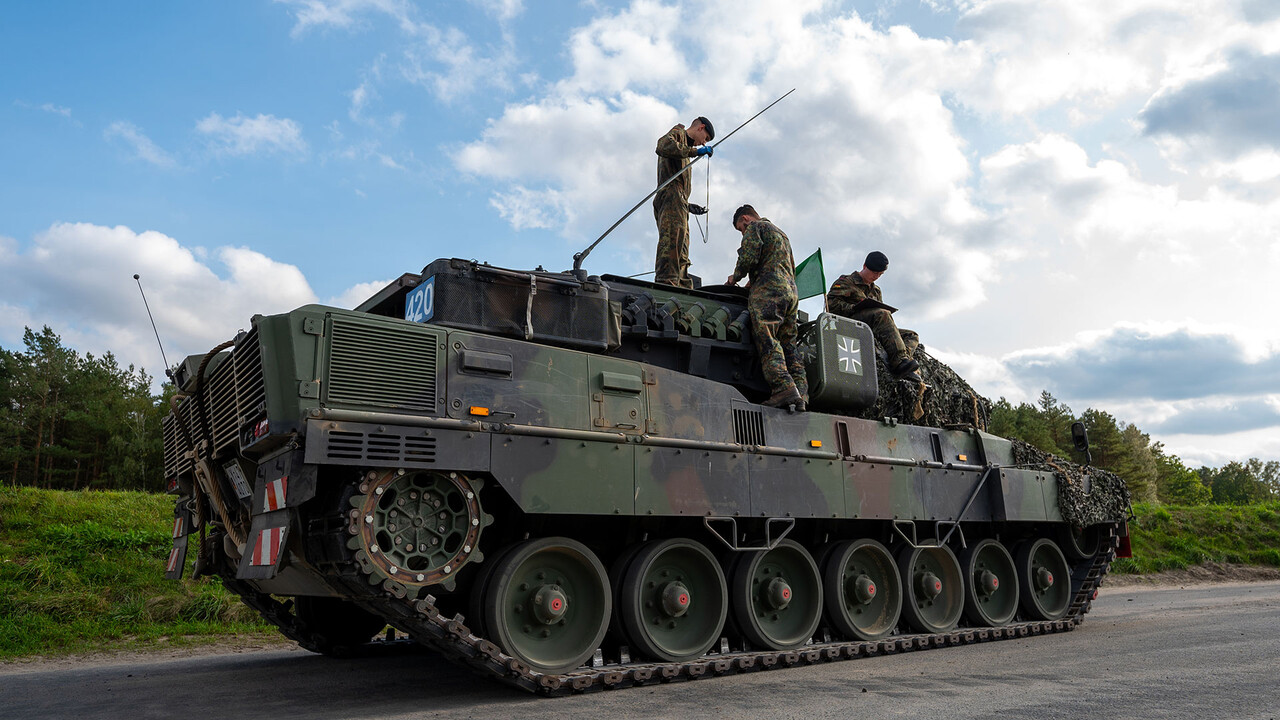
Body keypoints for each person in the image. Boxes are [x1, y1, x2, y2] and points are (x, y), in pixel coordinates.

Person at [727, 205, 808, 410]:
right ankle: (802, 394)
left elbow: (748, 258)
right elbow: (783, 265)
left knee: (767, 338)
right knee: (789, 345)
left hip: (769, 293)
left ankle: (783, 389)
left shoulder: (755, 227)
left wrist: (734, 277)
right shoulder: (781, 234)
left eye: (740, 229)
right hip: (790, 294)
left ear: (745, 219)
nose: (743, 232)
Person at [827, 251, 921, 378]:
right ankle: (899, 361)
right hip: (850, 323)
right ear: (865, 266)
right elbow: (831, 305)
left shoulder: (876, 290)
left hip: (872, 326)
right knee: (882, 314)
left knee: (911, 335)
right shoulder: (846, 282)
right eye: (874, 272)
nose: (876, 276)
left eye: (880, 274)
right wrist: (855, 308)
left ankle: (902, 362)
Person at [654, 117, 715, 288]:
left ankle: (681, 282)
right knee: (672, 241)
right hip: (671, 196)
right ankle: (667, 281)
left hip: (680, 202)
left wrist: (688, 206)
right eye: (706, 138)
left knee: (682, 247)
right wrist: (695, 153)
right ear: (701, 128)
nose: (703, 143)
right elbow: (662, 146)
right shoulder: (677, 134)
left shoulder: (686, 149)